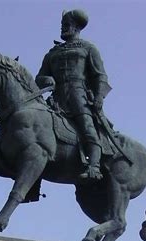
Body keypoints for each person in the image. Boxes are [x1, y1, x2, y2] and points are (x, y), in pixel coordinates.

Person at [36, 9, 111, 180]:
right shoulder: (52, 52)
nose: (62, 28)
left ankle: (94, 166)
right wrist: (46, 79)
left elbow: (100, 75)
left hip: (79, 94)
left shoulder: (88, 48)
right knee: (35, 127)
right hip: (56, 98)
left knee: (87, 126)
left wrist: (99, 96)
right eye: (62, 25)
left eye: (66, 25)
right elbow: (39, 77)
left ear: (77, 27)